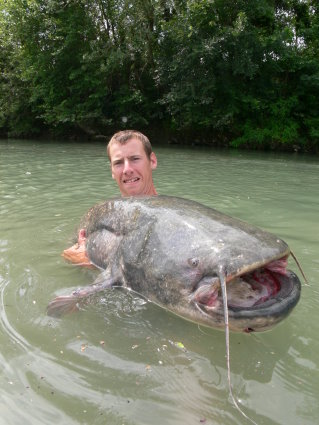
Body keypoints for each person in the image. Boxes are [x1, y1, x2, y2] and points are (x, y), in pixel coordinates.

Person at [62, 130, 158, 266]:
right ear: (112, 171)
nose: (127, 169)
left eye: (135, 159)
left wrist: (89, 262)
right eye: (118, 163)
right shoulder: (99, 216)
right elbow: (69, 251)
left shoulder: (175, 218)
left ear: (152, 161)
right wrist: (80, 259)